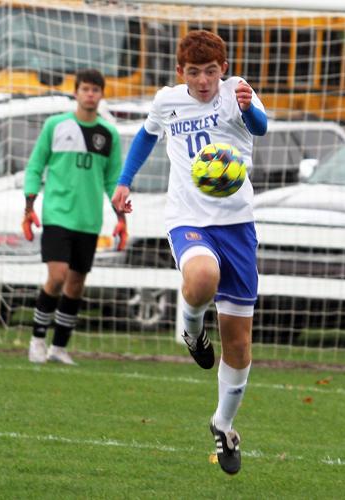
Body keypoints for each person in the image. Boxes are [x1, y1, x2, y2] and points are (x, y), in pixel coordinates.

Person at [112, 30, 267, 475]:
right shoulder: (168, 101)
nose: (203, 81)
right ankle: (190, 330)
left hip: (237, 225)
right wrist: (125, 181)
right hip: (188, 220)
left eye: (211, 71)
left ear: (223, 69)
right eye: (195, 72)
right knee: (200, 279)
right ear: (181, 73)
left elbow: (261, 126)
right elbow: (145, 136)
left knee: (238, 342)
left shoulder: (238, 92)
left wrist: (246, 106)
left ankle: (223, 425)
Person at [23, 68, 127, 366]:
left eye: (96, 90)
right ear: (76, 92)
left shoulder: (108, 134)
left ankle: (59, 347)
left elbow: (112, 181)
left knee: (76, 283)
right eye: (85, 89)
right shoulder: (55, 125)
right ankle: (37, 339)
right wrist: (29, 206)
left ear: (102, 94)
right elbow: (34, 167)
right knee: (56, 277)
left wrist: (121, 217)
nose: (90, 94)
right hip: (56, 215)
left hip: (89, 219)